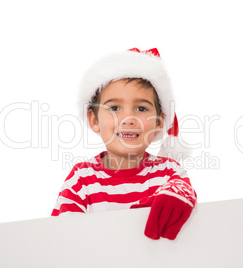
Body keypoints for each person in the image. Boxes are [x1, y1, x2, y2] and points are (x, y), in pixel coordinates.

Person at [51, 48, 197, 240]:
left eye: (141, 108)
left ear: (159, 123)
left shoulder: (169, 172)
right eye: (114, 107)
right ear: (94, 120)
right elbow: (61, 238)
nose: (129, 118)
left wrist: (177, 196)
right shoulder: (81, 179)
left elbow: (184, 194)